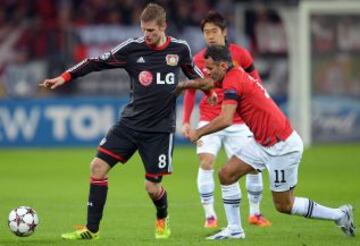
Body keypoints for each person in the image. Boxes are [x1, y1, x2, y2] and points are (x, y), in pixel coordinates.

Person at [40, 3, 210, 240]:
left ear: (163, 27)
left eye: (151, 30)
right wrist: (65, 76)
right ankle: (92, 230)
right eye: (143, 30)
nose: (146, 35)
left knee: (151, 188)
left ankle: (162, 216)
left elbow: (196, 76)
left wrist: (212, 91)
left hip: (159, 130)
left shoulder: (180, 49)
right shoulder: (132, 48)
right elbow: (96, 61)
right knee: (97, 167)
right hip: (130, 123)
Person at [187, 45, 355, 240]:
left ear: (223, 65)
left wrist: (198, 132)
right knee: (226, 174)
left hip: (282, 146)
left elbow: (225, 119)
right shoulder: (232, 74)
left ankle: (339, 215)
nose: (207, 71)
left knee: (285, 205)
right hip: (262, 142)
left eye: (210, 68)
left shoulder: (233, 81)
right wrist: (182, 86)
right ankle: (234, 229)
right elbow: (207, 84)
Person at [182, 11, 271, 229]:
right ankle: (210, 216)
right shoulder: (198, 59)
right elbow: (191, 91)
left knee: (252, 167)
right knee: (206, 161)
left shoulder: (241, 55)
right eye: (206, 32)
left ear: (224, 32)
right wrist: (186, 120)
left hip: (239, 121)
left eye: (214, 31)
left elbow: (257, 84)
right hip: (209, 120)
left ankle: (255, 213)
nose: (210, 36)